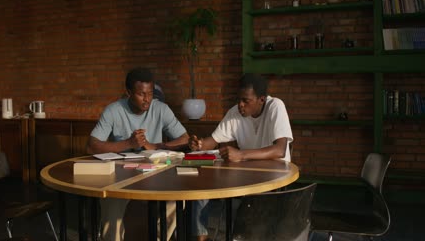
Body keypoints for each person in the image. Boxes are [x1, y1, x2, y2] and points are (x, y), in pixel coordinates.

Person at [87, 67, 189, 241]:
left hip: (154, 171)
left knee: (178, 197)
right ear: (128, 93)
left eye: (150, 93)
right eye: (141, 94)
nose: (147, 99)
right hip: (120, 174)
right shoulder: (113, 110)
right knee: (111, 201)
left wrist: (152, 146)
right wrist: (128, 143)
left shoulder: (160, 109)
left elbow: (184, 138)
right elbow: (92, 146)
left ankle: (159, 237)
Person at [188, 73, 293, 241]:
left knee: (246, 222)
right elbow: (213, 140)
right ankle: (201, 238)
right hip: (246, 176)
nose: (240, 105)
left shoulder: (276, 106)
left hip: (273, 178)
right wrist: (199, 144)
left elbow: (280, 150)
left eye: (246, 101)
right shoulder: (235, 112)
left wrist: (241, 154)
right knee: (201, 186)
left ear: (261, 99)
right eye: (239, 99)